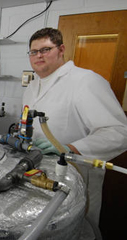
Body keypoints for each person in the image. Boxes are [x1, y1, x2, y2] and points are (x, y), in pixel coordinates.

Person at [23, 27, 127, 238]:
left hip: (78, 172)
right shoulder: (33, 86)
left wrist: (70, 149)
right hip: (41, 172)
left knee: (76, 229)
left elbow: (119, 132)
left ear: (61, 49)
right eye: (33, 52)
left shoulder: (86, 81)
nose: (38, 56)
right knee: (47, 226)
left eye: (45, 49)